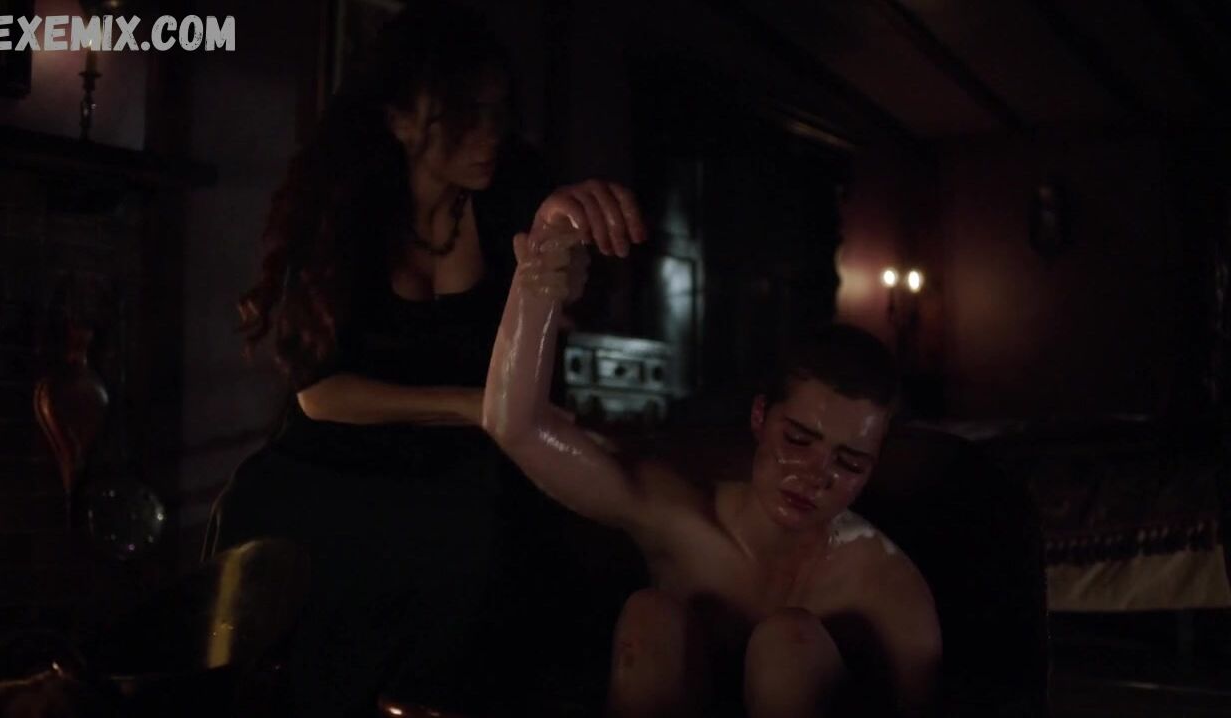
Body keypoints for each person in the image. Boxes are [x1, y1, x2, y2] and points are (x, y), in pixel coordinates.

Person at [215, 3, 647, 715]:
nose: (489, 133)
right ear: (397, 119)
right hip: (339, 455)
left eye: (497, 111)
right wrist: (474, 406)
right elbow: (319, 393)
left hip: (473, 463)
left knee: (488, 532)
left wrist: (565, 279)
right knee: (280, 530)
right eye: (463, 114)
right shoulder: (344, 209)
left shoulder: (514, 187)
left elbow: (562, 306)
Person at [483, 218, 943, 717]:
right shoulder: (682, 516)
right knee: (650, 617)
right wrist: (542, 271)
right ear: (760, 417)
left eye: (849, 462)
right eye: (797, 440)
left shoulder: (884, 585)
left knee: (789, 644)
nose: (814, 474)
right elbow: (518, 428)